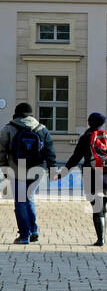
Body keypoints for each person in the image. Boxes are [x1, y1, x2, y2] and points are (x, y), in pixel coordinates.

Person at [62, 112, 107, 246]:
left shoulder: (86, 138)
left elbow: (75, 157)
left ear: (89, 123)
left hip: (92, 175)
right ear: (102, 124)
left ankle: (101, 239)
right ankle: (103, 237)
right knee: (103, 206)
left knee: (97, 208)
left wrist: (63, 172)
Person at [1, 102, 56, 244]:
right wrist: (52, 168)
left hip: (16, 169)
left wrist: (4, 167)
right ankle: (34, 230)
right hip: (37, 170)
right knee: (29, 198)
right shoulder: (42, 129)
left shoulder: (8, 128)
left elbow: (1, 150)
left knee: (20, 202)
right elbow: (49, 150)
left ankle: (24, 235)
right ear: (31, 114)